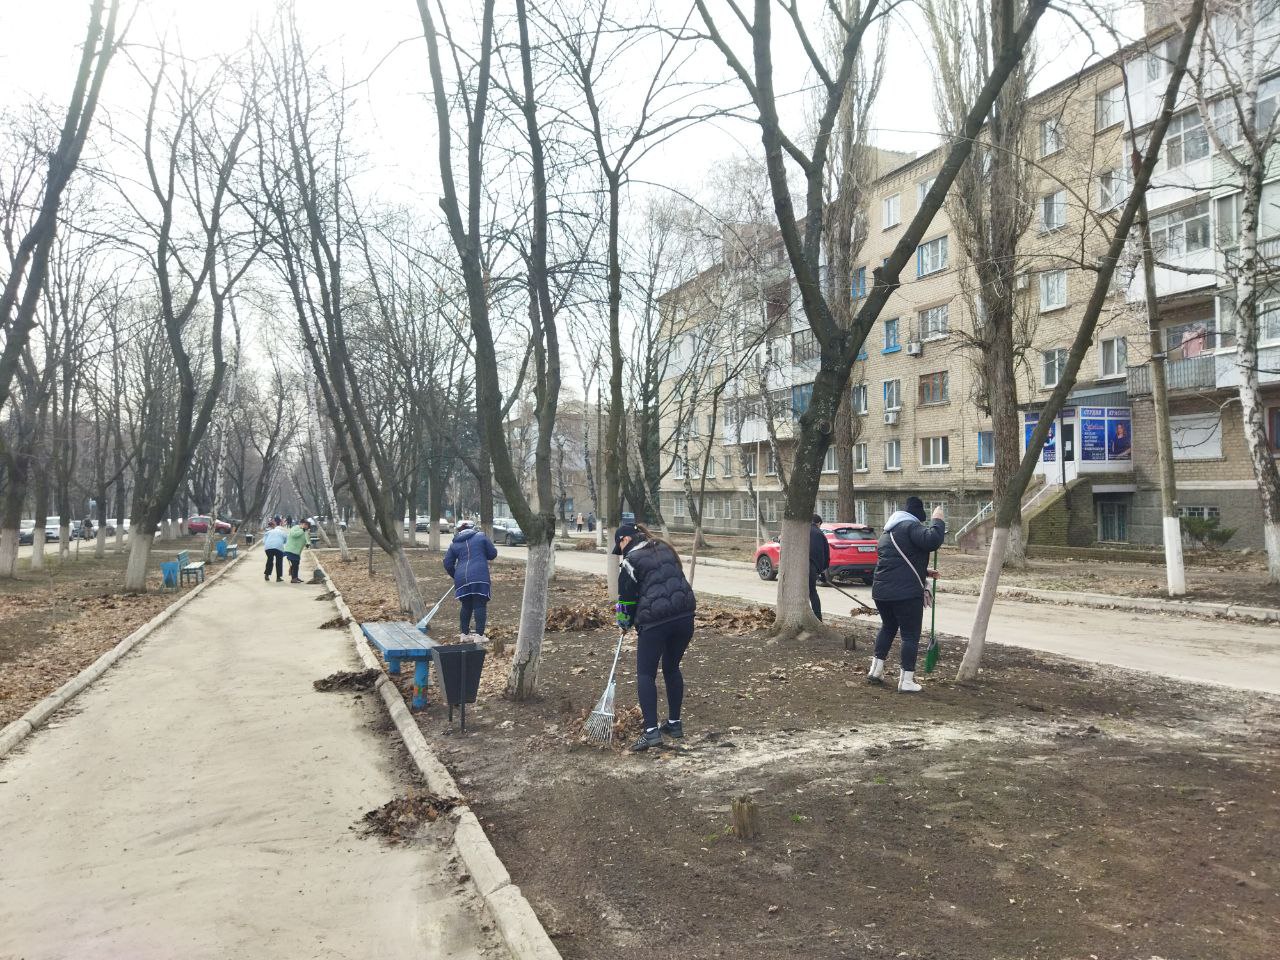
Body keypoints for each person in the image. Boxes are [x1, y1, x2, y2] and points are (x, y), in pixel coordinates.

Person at [613, 522, 697, 752]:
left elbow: (627, 600)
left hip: (656, 621)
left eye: (619, 547)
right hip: (685, 616)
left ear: (625, 540)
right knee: (671, 668)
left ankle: (651, 732)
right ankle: (674, 724)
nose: (619, 552)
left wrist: (623, 621)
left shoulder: (630, 560)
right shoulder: (664, 547)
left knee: (645, 674)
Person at [868, 497, 945, 692]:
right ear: (918, 517)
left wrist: (924, 571)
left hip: (881, 592)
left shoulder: (888, 531)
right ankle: (907, 681)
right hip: (905, 594)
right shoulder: (910, 526)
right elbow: (932, 540)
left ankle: (875, 671)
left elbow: (895, 561)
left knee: (888, 627)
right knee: (910, 635)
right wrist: (938, 521)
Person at [443, 519, 498, 637]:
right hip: (480, 575)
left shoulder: (454, 544)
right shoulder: (481, 537)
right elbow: (492, 554)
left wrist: (456, 575)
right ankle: (479, 636)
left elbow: (447, 563)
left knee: (466, 605)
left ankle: (464, 634)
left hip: (461, 578)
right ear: (473, 528)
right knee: (479, 604)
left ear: (458, 530)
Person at [808, 514, 831, 621]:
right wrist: (822, 572)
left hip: (800, 566)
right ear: (818, 523)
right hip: (812, 567)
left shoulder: (802, 530)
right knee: (812, 592)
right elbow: (825, 554)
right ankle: (818, 618)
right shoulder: (820, 534)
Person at [283, 518, 311, 583]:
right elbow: (294, 535)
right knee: (295, 564)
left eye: (308, 526)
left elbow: (306, 539)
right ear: (302, 524)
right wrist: (302, 530)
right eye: (306, 525)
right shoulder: (295, 528)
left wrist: (307, 544)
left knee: (296, 564)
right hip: (291, 549)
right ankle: (293, 579)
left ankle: (295, 577)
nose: (307, 527)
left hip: (297, 551)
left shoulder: (305, 531)